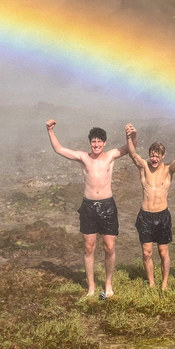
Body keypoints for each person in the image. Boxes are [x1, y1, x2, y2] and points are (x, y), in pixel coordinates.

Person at [46, 119, 131, 298]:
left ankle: (108, 284)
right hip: (89, 207)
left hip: (108, 205)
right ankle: (91, 287)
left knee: (109, 247)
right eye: (93, 141)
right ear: (90, 142)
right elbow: (59, 149)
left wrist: (131, 135)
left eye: (99, 141)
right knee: (89, 247)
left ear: (104, 143)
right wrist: (50, 130)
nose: (96, 144)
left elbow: (130, 148)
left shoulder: (110, 156)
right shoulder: (84, 157)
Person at [125, 124, 175, 290]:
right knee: (147, 252)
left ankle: (164, 284)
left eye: (157, 156)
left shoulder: (168, 170)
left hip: (162, 216)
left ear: (162, 156)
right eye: (152, 156)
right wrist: (129, 136)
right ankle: (152, 283)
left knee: (163, 252)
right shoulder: (144, 167)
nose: (154, 159)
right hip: (145, 216)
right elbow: (132, 154)